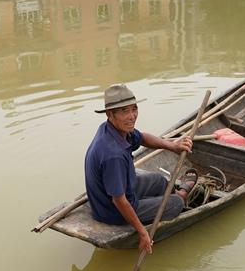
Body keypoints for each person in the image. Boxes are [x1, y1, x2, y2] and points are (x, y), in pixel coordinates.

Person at [84, 84, 197, 254]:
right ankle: (181, 193)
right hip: (111, 211)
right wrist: (143, 233)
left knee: (159, 181)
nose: (131, 116)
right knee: (176, 203)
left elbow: (142, 137)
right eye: (124, 111)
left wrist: (173, 146)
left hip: (115, 194)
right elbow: (119, 201)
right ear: (110, 114)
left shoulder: (114, 129)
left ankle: (161, 200)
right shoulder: (113, 154)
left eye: (134, 109)